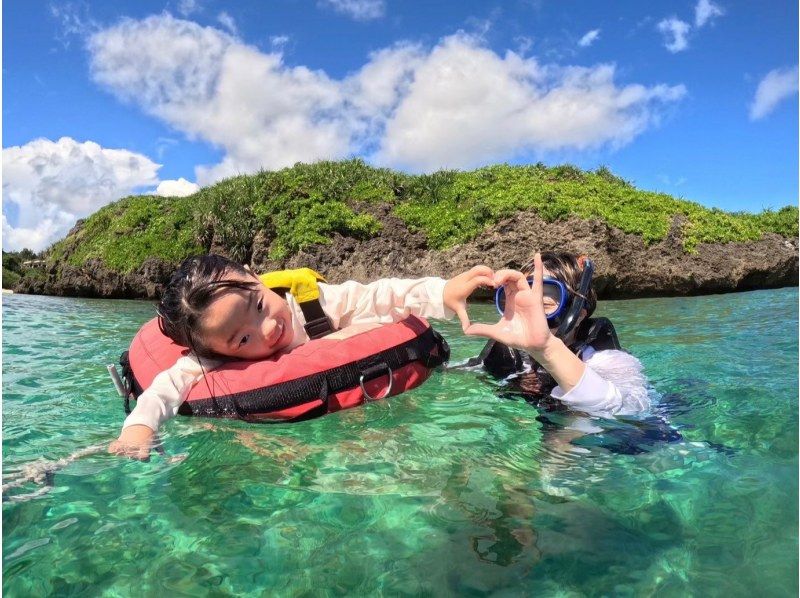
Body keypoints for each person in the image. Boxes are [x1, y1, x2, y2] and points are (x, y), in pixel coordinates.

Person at [109, 254, 495, 459]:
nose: (267, 329)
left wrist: (440, 292)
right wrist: (139, 429)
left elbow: (380, 294)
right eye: (243, 339)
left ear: (256, 277)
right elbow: (166, 388)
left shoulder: (313, 305)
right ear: (215, 350)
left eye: (260, 305)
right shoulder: (207, 359)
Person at [464, 251, 650, 417]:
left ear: (578, 316)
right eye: (517, 305)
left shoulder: (607, 360)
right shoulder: (513, 353)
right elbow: (457, 375)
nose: (528, 316)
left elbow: (630, 409)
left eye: (544, 306)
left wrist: (547, 349)